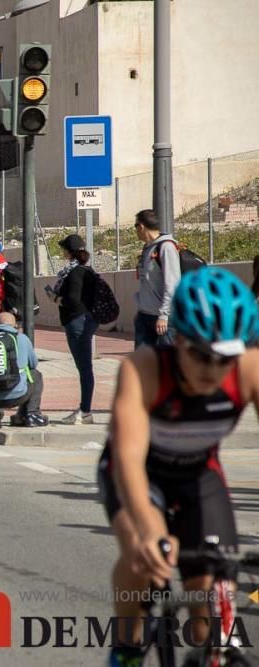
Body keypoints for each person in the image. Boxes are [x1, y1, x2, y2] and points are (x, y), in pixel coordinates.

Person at [98, 267, 259, 666]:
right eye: (201, 356)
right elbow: (129, 460)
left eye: (225, 359)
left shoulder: (249, 369)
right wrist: (152, 532)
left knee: (211, 604)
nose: (213, 370)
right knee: (143, 556)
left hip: (197, 474)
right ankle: (126, 644)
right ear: (178, 338)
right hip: (137, 472)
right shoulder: (143, 368)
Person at [48, 234, 98, 424]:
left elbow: (73, 300)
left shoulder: (75, 272)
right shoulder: (87, 269)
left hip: (77, 322)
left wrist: (55, 298)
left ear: (70, 252)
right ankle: (85, 409)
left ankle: (85, 411)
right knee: (85, 367)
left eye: (64, 249)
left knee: (84, 367)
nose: (62, 252)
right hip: (86, 320)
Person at [0, 312, 48, 428]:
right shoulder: (22, 339)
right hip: (16, 396)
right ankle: (32, 414)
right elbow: (33, 364)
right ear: (15, 325)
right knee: (35, 375)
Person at [134, 208, 180, 348]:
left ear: (141, 226)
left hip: (162, 320)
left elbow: (172, 284)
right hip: (144, 316)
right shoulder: (147, 248)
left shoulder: (166, 248)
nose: (135, 231)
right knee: (142, 364)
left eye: (135, 226)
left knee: (165, 365)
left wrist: (164, 315)